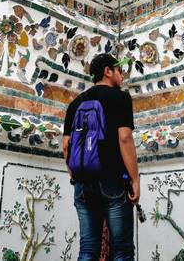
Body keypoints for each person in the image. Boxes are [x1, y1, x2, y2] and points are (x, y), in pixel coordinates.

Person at [63, 53, 140, 261]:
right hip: (112, 181)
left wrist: (75, 176)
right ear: (108, 71)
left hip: (82, 185)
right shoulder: (120, 98)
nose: (122, 76)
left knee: (87, 249)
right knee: (122, 251)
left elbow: (66, 148)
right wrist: (135, 179)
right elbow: (124, 138)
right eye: (119, 71)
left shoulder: (75, 103)